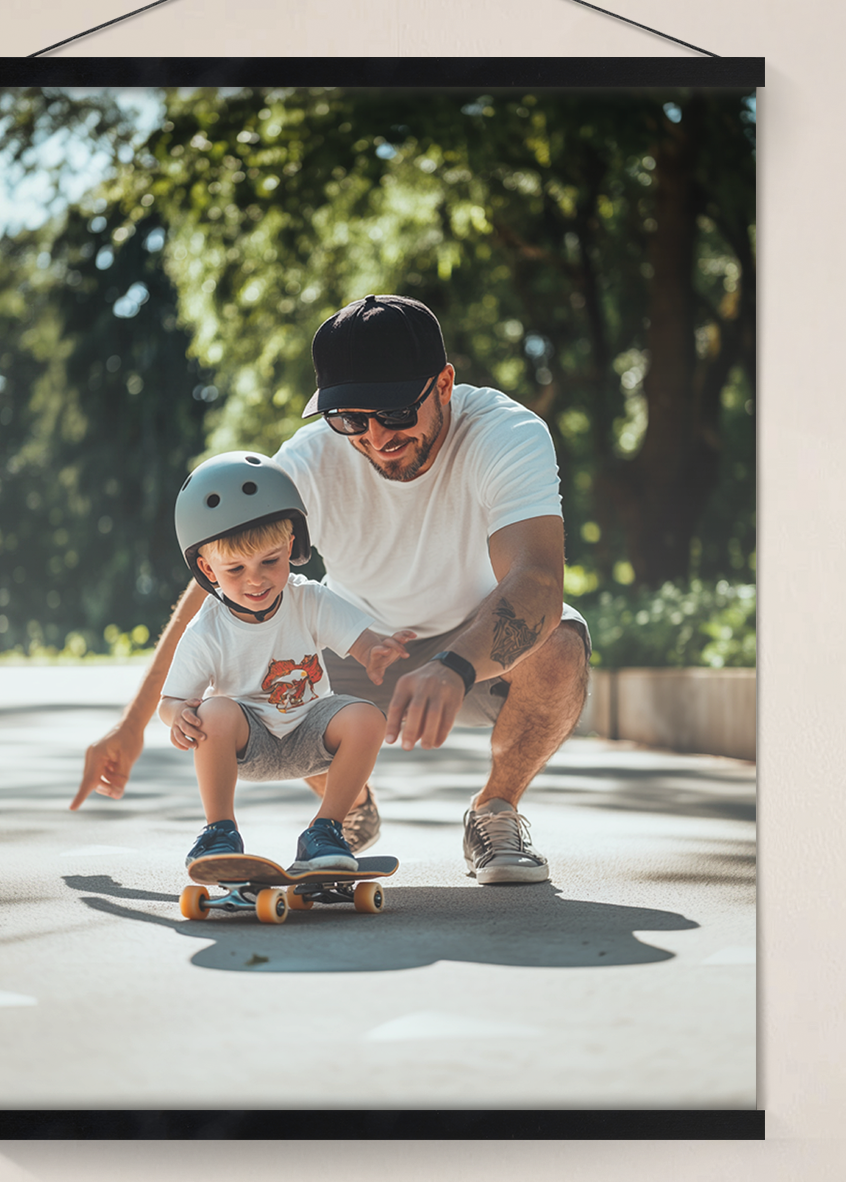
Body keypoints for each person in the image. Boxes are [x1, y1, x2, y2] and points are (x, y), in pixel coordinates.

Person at [72, 294, 590, 886]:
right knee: (254, 650)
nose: (375, 436)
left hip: (476, 646)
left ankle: (495, 810)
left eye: (395, 412)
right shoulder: (309, 462)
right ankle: (345, 812)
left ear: (444, 383)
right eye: (349, 419)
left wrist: (453, 665)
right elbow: (217, 590)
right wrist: (132, 725)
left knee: (560, 646)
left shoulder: (506, 434)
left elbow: (539, 581)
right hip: (352, 645)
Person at [160, 453, 410, 875]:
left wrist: (376, 651)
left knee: (367, 718)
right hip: (248, 741)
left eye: (269, 562)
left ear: (290, 547)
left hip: (311, 731)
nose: (255, 580)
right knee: (214, 710)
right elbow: (171, 700)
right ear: (207, 569)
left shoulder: (307, 599)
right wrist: (179, 716)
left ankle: (325, 831)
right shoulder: (207, 630)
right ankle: (219, 832)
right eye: (235, 569)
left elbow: (359, 640)